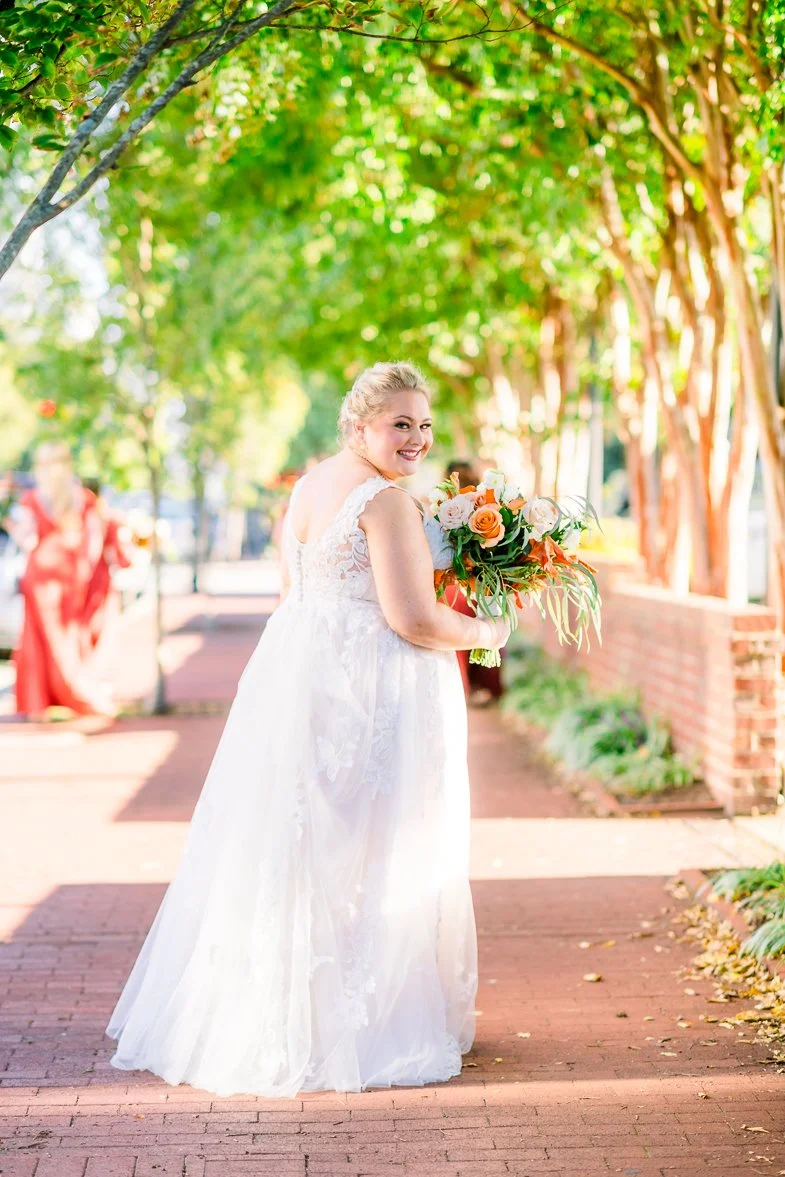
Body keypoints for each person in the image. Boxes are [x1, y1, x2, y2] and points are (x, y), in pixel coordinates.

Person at [105, 361, 510, 1098]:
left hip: (303, 683)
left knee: (304, 846)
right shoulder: (384, 502)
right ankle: (355, 1025)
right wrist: (490, 628)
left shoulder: (310, 484)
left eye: (423, 424)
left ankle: (282, 1012)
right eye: (399, 423)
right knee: (375, 845)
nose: (416, 438)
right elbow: (412, 617)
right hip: (370, 692)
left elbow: (294, 593)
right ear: (359, 426)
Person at [8, 442, 117, 720]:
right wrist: (85, 570)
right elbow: (93, 541)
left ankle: (42, 702)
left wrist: (8, 525)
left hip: (41, 573)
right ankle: (72, 692)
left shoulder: (33, 498)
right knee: (67, 635)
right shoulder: (82, 498)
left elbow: (28, 539)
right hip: (71, 573)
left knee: (38, 637)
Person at [441, 458, 505, 704]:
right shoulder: (489, 508)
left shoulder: (441, 509)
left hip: (453, 586)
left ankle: (461, 688)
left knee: (459, 628)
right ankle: (484, 687)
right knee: (489, 620)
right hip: (479, 584)